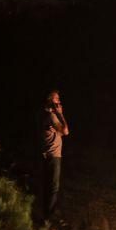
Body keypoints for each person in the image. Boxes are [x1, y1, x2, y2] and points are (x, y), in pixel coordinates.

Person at [40, 90, 69, 223]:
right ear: (51, 101)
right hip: (53, 155)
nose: (59, 101)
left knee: (50, 186)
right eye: (57, 99)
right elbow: (66, 131)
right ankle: (49, 218)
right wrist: (61, 114)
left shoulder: (48, 116)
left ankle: (48, 214)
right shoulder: (52, 116)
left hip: (50, 155)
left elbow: (61, 133)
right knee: (53, 187)